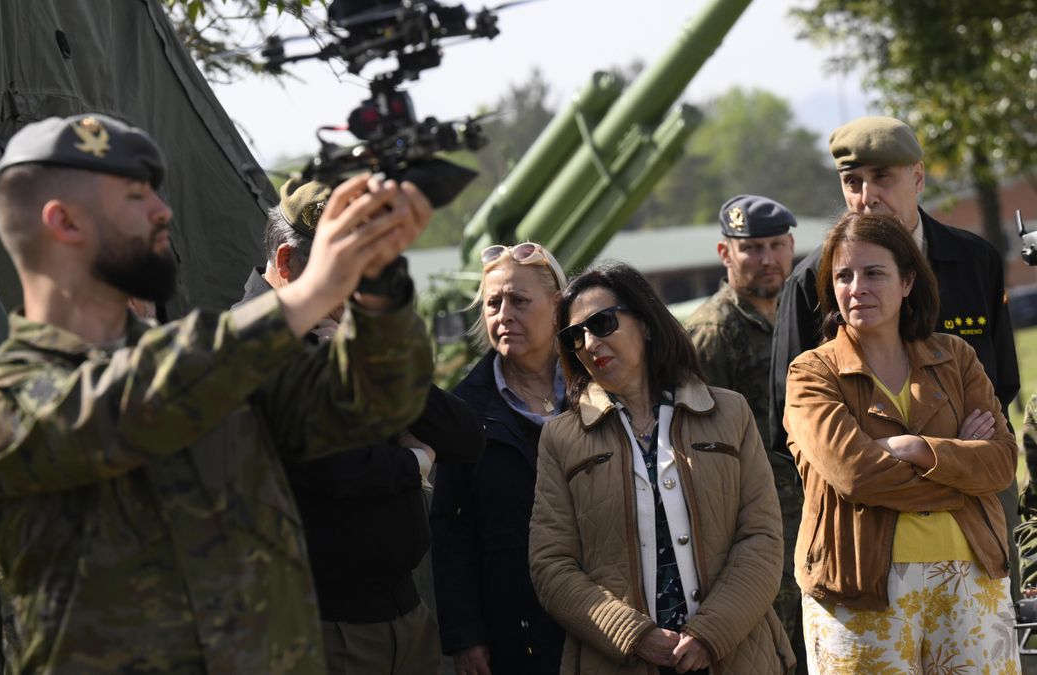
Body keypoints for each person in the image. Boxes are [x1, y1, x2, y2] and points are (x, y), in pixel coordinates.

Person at [0, 113, 435, 673]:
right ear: (64, 223)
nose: (162, 212)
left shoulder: (207, 378)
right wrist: (309, 294)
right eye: (134, 198)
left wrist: (379, 286)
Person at [237, 178, 485, 675]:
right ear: (286, 264)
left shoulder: (345, 331)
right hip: (321, 628)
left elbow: (465, 436)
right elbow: (335, 466)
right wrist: (415, 461)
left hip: (402, 616)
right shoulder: (253, 343)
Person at [767, 116, 1022, 598]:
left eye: (882, 177)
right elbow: (795, 427)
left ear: (918, 177)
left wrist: (914, 449)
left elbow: (1002, 383)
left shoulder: (974, 260)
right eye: (852, 182)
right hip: (865, 530)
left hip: (980, 518)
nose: (867, 196)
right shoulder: (811, 282)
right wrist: (953, 457)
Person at [784, 212, 1020, 673]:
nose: (857, 288)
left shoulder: (957, 356)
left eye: (874, 273)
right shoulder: (811, 373)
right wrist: (957, 465)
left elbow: (1000, 464)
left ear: (908, 281)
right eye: (843, 276)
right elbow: (855, 475)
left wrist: (916, 448)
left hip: (972, 579)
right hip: (857, 589)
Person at [530, 261, 793, 675]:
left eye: (602, 323)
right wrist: (634, 636)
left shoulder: (730, 413)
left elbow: (762, 538)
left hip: (737, 655)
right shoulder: (560, 438)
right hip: (620, 661)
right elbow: (551, 566)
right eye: (574, 336)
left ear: (647, 324)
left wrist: (711, 633)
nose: (589, 343)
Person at [430, 242, 568, 675]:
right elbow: (451, 530)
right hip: (513, 634)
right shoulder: (464, 412)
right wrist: (466, 637)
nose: (503, 314)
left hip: (606, 620)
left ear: (557, 307)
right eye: (493, 303)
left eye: (519, 301)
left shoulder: (598, 390)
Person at [683, 194, 804, 671]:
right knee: (772, 646)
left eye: (776, 245)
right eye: (752, 248)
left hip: (810, 509)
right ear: (725, 253)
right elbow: (698, 446)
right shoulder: (713, 331)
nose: (767, 259)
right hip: (753, 524)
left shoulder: (801, 312)